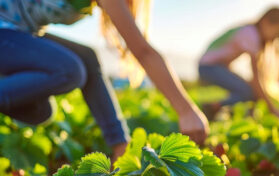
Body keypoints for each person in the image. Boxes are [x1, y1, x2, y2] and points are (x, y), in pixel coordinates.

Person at [0, 0, 209, 161]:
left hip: (13, 33)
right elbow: (143, 52)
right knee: (69, 70)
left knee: (40, 109)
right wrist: (185, 110)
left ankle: (121, 149)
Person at [198, 7, 279, 119]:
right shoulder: (251, 34)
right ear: (265, 22)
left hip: (216, 67)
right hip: (208, 67)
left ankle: (226, 111)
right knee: (248, 92)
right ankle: (212, 107)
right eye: (276, 32)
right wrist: (272, 109)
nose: (275, 37)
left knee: (248, 91)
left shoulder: (251, 33)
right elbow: (256, 79)